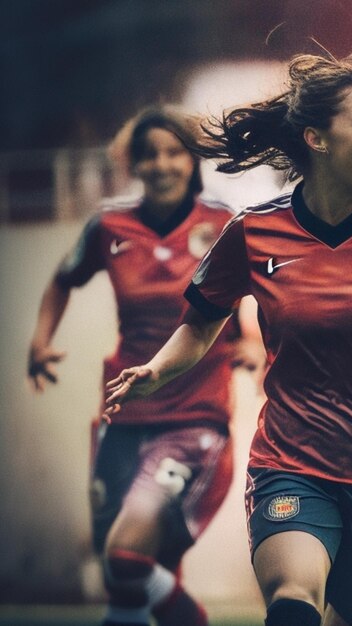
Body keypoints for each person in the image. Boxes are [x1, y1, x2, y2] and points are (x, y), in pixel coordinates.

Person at [104, 52, 352, 626]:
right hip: (290, 463)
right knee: (293, 602)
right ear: (316, 138)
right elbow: (200, 323)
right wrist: (158, 368)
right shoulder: (252, 231)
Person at [27, 105, 263, 626]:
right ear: (133, 163)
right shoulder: (108, 226)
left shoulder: (222, 223)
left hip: (194, 418)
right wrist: (40, 342)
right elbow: (63, 281)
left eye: (174, 152)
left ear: (192, 160)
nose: (162, 165)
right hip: (122, 415)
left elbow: (247, 290)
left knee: (131, 556)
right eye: (149, 154)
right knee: (124, 585)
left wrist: (252, 342)